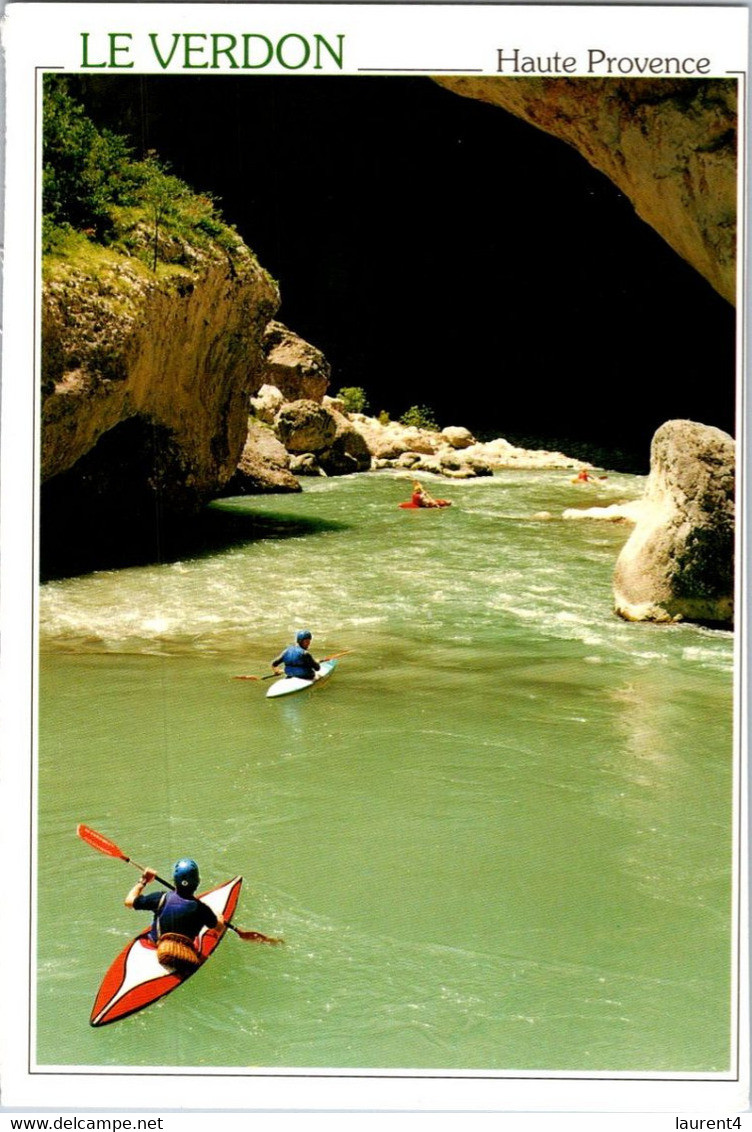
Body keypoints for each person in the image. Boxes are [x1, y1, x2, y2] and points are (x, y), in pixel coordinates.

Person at [125, 857, 225, 976]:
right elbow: (219, 928)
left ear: (175, 881)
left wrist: (143, 880)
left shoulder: (160, 898)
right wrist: (219, 916)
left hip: (156, 945)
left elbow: (129, 901)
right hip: (183, 953)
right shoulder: (202, 909)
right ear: (197, 882)